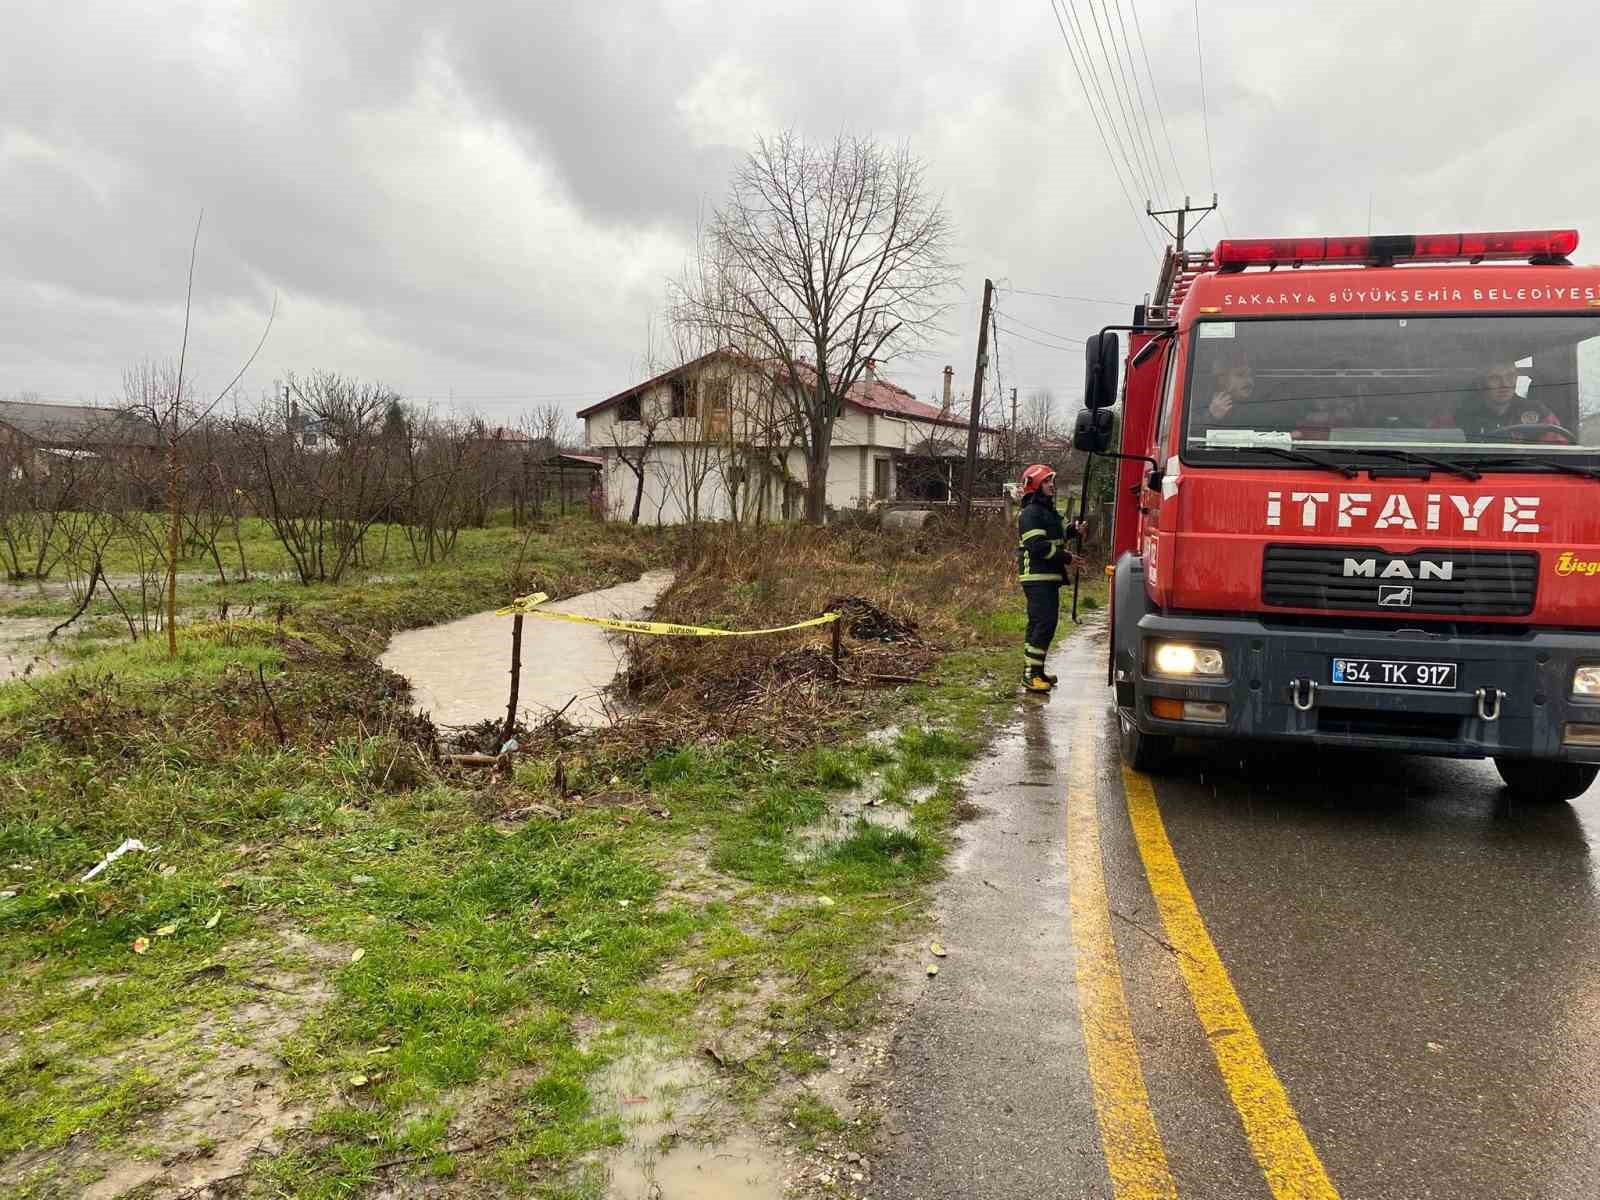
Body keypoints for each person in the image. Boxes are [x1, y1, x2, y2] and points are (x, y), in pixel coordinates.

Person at [1016, 464, 1083, 693]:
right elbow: (1037, 546)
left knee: (1043, 623)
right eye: (1046, 481)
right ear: (1034, 485)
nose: (1051, 485)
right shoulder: (1030, 513)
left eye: (1051, 481)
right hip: (1036, 577)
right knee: (1042, 623)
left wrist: (1074, 530)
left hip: (1047, 577)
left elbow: (1060, 531)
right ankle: (1030, 675)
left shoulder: (1049, 512)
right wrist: (1066, 557)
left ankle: (1036, 671)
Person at [1452, 361, 1561, 439]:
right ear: (1480, 383)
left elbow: (1559, 452)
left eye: (1510, 376)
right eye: (1495, 378)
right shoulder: (1460, 415)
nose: (1505, 384)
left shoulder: (1540, 412)